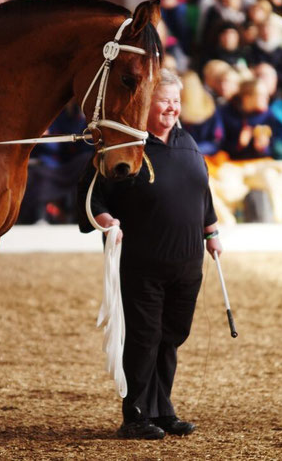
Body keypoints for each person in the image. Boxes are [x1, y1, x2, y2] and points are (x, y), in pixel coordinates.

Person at [77, 69, 222, 440]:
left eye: (176, 101)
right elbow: (91, 195)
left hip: (187, 262)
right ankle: (136, 414)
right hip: (142, 262)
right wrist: (106, 220)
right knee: (144, 337)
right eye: (164, 101)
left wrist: (212, 232)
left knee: (172, 335)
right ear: (146, 105)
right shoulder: (126, 147)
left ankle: (163, 410)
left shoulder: (188, 142)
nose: (172, 108)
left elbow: (202, 194)